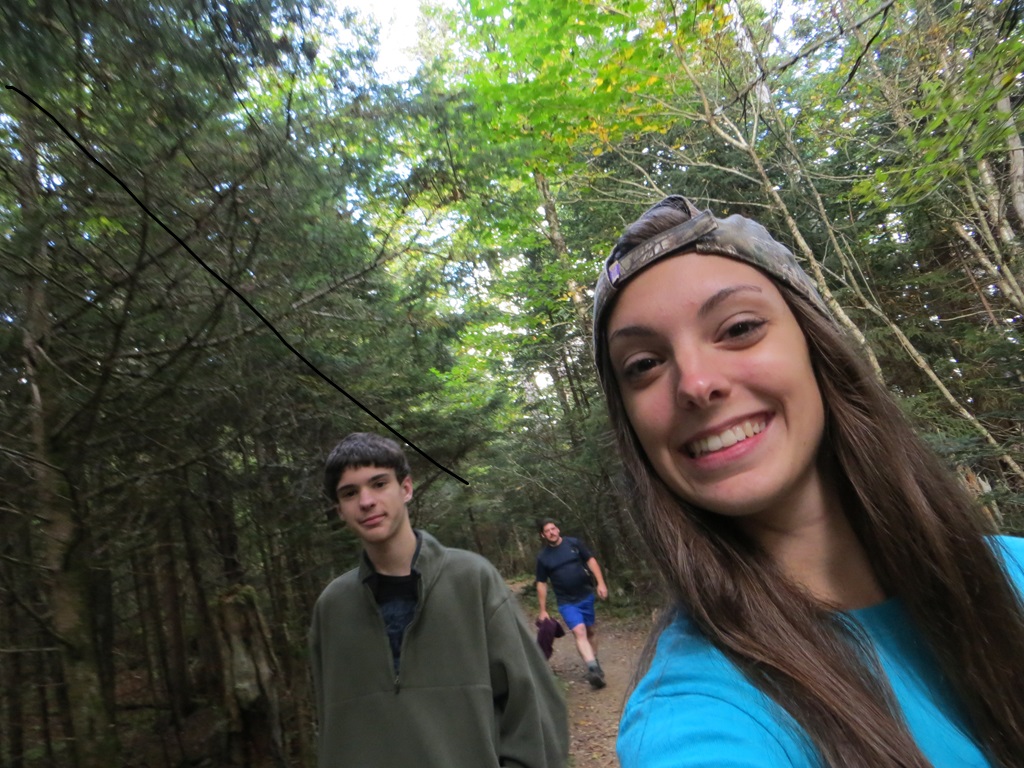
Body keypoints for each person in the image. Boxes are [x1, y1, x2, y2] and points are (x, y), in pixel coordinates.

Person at [590, 194, 1024, 768]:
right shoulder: (698, 717)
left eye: (739, 327)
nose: (695, 384)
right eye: (643, 364)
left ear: (816, 348)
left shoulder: (1011, 572)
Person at [309, 432, 569, 768]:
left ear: (405, 488)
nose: (366, 501)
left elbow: (533, 706)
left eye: (378, 484)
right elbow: (334, 728)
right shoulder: (332, 608)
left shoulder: (472, 580)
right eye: (350, 493)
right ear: (340, 510)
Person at [535, 518, 609, 688]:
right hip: (566, 601)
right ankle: (593, 670)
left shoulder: (574, 544)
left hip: (585, 595)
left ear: (558, 529)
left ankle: (594, 661)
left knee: (590, 631)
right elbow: (541, 583)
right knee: (579, 631)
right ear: (543, 535)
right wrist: (543, 609)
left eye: (553, 529)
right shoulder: (543, 557)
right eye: (547, 531)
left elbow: (591, 561)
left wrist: (601, 583)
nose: (551, 532)